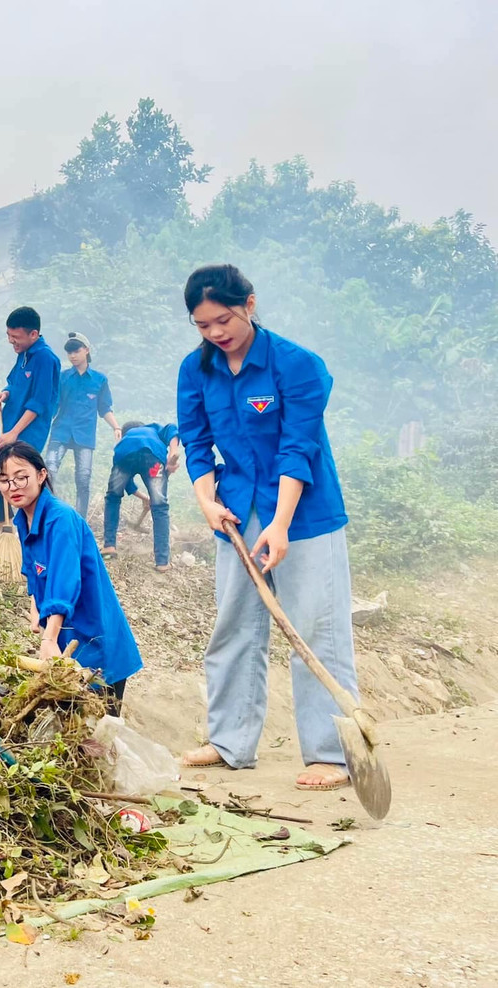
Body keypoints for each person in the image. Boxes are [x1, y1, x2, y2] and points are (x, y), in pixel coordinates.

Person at [176, 263, 358, 793]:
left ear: (249, 304)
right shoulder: (196, 369)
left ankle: (331, 752)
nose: (215, 333)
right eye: (203, 324)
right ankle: (230, 741)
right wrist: (206, 501)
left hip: (304, 514)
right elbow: (195, 441)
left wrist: (279, 525)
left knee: (316, 629)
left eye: (224, 319)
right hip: (235, 510)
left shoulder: (297, 365)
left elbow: (298, 447)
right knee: (234, 624)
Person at [0, 441, 141, 712]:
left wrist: (48, 639)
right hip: (68, 631)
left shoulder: (60, 519)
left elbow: (63, 582)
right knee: (70, 718)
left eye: (21, 477)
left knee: (99, 727)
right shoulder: (23, 519)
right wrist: (35, 607)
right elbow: (33, 569)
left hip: (95, 634)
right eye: (4, 480)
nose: (13, 487)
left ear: (41, 475)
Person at [0, 306, 61, 527]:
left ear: (33, 334)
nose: (11, 341)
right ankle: (10, 533)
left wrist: (15, 433)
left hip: (24, 435)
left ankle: (30, 531)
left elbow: (40, 402)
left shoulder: (45, 358)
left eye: (15, 337)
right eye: (8, 335)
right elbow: (14, 384)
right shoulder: (23, 354)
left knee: (21, 487)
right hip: (6, 428)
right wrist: (3, 394)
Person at [46, 332, 121, 519]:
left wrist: (116, 427)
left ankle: (79, 521)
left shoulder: (99, 380)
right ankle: (47, 515)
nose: (72, 356)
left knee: (83, 479)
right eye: (69, 352)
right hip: (61, 431)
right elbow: (53, 405)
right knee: (48, 472)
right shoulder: (62, 378)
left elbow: (104, 408)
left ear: (86, 351)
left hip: (84, 435)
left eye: (76, 351)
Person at [102, 420, 181, 572]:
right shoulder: (152, 430)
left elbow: (126, 484)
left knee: (113, 497)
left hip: (124, 455)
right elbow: (171, 428)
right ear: (142, 426)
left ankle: (109, 546)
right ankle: (162, 562)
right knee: (160, 507)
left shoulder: (126, 441)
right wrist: (173, 451)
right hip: (153, 456)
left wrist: (145, 498)